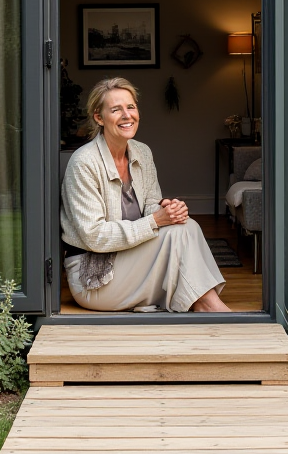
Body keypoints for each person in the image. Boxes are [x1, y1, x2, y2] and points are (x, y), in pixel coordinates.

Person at [60, 76, 229, 313]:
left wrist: (165, 210)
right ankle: (209, 306)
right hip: (94, 278)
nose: (127, 115)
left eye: (131, 107)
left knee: (187, 226)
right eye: (116, 109)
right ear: (99, 117)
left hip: (130, 259)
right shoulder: (84, 162)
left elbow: (150, 203)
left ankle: (204, 303)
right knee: (179, 234)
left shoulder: (142, 151)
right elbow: (94, 237)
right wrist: (155, 220)